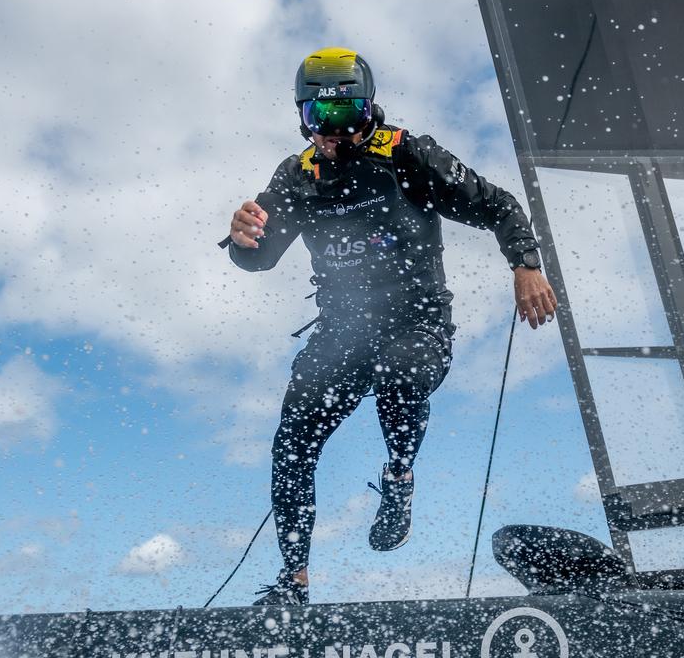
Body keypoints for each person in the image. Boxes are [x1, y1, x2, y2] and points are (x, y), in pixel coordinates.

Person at [221, 47, 557, 606]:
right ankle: (293, 585)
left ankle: (399, 479)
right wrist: (240, 239)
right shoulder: (296, 177)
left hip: (417, 323)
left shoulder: (408, 155)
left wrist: (525, 265)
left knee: (400, 373)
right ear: (301, 117)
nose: (331, 134)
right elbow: (259, 258)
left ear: (369, 111)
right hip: (342, 332)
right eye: (316, 120)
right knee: (292, 443)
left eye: (345, 117)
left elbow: (498, 205)